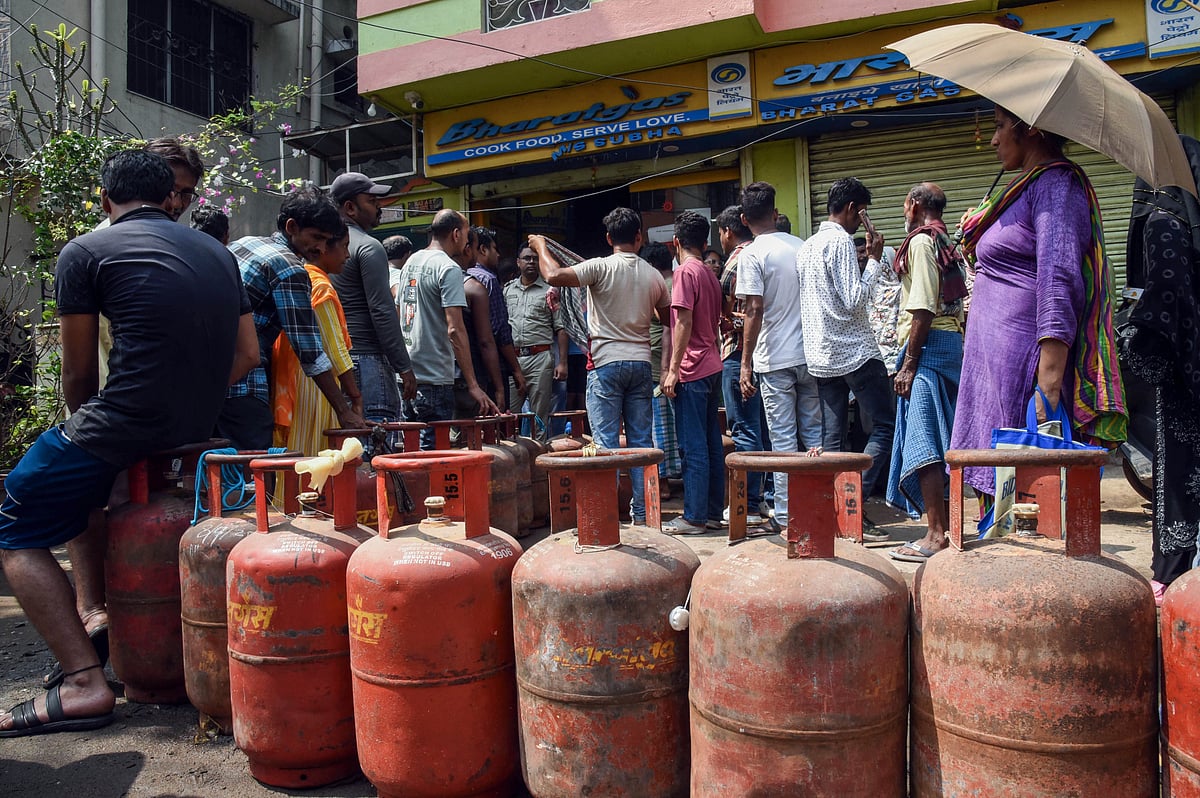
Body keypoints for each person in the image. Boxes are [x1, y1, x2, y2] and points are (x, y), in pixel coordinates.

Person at [0, 149, 253, 738]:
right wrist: (184, 402)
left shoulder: (85, 251)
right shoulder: (220, 254)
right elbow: (247, 355)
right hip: (196, 427)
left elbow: (77, 374)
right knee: (89, 499)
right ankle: (99, 622)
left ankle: (83, 684)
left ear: (105, 198)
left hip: (123, 421)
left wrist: (89, 433)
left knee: (15, 520)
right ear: (169, 198)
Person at [950, 106, 1126, 508]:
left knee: (1025, 502)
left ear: (1029, 127)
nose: (993, 140)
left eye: (999, 126)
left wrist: (1048, 385)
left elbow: (1058, 278)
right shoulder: (1022, 188)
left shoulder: (1057, 185)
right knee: (996, 495)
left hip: (1023, 374)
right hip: (991, 373)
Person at [529, 207, 669, 523]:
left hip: (605, 364)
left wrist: (540, 246)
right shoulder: (653, 275)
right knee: (640, 444)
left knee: (605, 445)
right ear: (639, 237)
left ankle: (606, 519)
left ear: (608, 238)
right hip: (641, 364)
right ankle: (643, 516)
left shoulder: (600, 267)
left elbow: (553, 276)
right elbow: (665, 316)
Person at [219, 185, 366, 449]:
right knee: (253, 467)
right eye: (316, 237)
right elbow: (310, 352)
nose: (321, 248)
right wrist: (344, 410)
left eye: (326, 240)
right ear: (291, 227)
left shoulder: (244, 244)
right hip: (243, 385)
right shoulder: (289, 268)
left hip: (210, 377)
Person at [1122, 135, 1200, 604]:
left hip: (1183, 371)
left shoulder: (1162, 221)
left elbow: (1164, 299)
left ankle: (1173, 573)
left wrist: (1131, 341)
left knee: (1180, 466)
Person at [796, 177, 895, 539]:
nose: (862, 221)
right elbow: (855, 300)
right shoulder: (840, 242)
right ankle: (853, 503)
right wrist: (874, 261)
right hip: (854, 350)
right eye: (862, 213)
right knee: (885, 425)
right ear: (853, 209)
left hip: (821, 354)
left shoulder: (807, 245)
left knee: (833, 439)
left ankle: (837, 515)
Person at [886, 183, 966, 562]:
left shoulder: (921, 242)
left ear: (914, 204)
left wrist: (909, 364)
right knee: (940, 437)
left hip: (928, 348)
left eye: (905, 205)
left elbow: (922, 307)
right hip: (949, 345)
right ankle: (946, 527)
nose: (904, 212)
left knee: (924, 441)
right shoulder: (945, 240)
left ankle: (935, 533)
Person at [737, 181, 818, 534]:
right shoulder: (802, 246)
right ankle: (818, 509)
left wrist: (745, 363)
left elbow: (753, 308)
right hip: (810, 356)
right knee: (814, 437)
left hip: (774, 360)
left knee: (783, 441)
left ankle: (786, 517)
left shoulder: (752, 255)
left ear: (744, 219)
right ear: (775, 212)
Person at [396, 209, 499, 447]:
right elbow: (455, 329)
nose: (467, 242)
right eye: (466, 234)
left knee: (411, 453)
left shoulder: (411, 261)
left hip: (408, 376)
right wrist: (473, 385)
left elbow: (399, 313)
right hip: (434, 378)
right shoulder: (448, 268)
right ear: (456, 234)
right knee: (435, 454)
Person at [329, 172, 416, 427]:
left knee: (347, 441)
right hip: (367, 359)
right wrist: (403, 366)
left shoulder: (323, 246)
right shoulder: (368, 246)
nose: (379, 206)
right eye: (371, 201)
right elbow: (382, 310)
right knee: (376, 440)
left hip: (335, 361)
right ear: (350, 207)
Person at [661, 211, 726, 534]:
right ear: (705, 242)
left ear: (676, 242)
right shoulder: (709, 274)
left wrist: (673, 370)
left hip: (693, 368)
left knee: (693, 445)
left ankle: (695, 517)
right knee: (711, 442)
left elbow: (683, 322)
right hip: (712, 364)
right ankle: (711, 512)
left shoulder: (685, 272)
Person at [272, 223, 362, 455]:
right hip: (314, 386)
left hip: (291, 377)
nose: (347, 255)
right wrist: (355, 398)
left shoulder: (304, 277)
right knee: (314, 457)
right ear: (324, 249)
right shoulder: (319, 286)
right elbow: (336, 350)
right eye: (344, 246)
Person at [716, 205, 771, 527]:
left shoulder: (737, 260)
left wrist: (728, 321)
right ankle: (762, 498)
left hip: (738, 354)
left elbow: (737, 315)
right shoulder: (765, 253)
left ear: (728, 231)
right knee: (760, 428)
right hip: (765, 354)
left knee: (745, 429)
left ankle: (749, 504)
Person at [504, 244, 567, 441]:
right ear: (518, 262)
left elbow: (561, 328)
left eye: (535, 258)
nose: (531, 262)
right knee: (510, 415)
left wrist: (562, 363)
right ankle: (514, 452)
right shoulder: (507, 290)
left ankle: (538, 452)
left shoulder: (549, 291)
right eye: (527, 258)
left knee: (539, 415)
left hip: (540, 358)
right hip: (513, 361)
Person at [454, 225, 506, 414]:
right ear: (468, 249)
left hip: (437, 375)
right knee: (471, 429)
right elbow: (487, 340)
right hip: (469, 376)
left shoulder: (423, 274)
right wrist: (499, 387)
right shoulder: (476, 286)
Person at [643, 242, 681, 496]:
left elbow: (668, 328)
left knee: (660, 429)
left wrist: (666, 369)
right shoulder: (676, 282)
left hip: (659, 368)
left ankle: (663, 482)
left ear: (651, 266)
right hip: (669, 366)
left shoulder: (661, 286)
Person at [472, 226, 526, 407]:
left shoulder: (460, 276)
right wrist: (516, 370)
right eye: (494, 249)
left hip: (469, 370)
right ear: (483, 249)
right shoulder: (488, 280)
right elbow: (499, 331)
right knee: (498, 420)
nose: (498, 255)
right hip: (492, 370)